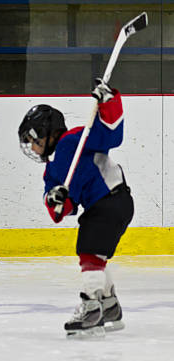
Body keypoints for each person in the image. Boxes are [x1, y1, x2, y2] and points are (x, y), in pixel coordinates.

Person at [18, 79, 134, 337]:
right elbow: (62, 211)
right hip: (99, 208)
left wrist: (108, 101)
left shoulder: (74, 140)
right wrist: (56, 199)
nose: (33, 147)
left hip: (113, 199)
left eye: (34, 139)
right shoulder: (51, 172)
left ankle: (91, 307)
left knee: (89, 252)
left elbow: (112, 134)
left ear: (48, 132)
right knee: (95, 255)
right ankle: (110, 307)